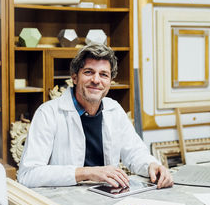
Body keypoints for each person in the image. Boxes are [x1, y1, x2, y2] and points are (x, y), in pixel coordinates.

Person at [18, 43, 173, 189]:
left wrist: (152, 165)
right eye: (88, 72)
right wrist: (87, 173)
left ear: (110, 81)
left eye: (104, 75)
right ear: (74, 77)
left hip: (107, 197)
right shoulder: (48, 113)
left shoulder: (114, 110)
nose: (96, 80)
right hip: (63, 203)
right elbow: (28, 175)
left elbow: (135, 153)